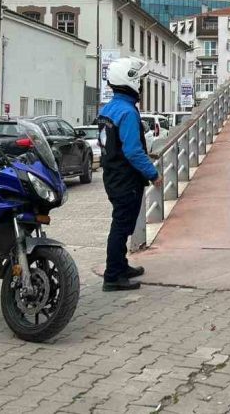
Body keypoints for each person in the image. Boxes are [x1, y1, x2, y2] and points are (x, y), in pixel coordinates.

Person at [97, 57, 161, 291]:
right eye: (140, 80)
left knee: (121, 223)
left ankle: (120, 265)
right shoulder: (128, 112)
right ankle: (113, 276)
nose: (142, 86)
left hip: (112, 175)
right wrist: (153, 173)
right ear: (129, 80)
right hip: (126, 178)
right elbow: (133, 150)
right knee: (122, 226)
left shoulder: (109, 109)